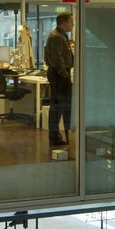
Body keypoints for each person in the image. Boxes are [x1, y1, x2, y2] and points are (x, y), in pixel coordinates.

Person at [45, 13, 73, 148]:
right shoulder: (57, 37)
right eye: (71, 22)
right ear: (64, 23)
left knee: (61, 105)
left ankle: (56, 134)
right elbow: (58, 58)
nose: (73, 24)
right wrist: (65, 75)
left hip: (60, 73)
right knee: (58, 106)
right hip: (59, 74)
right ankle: (54, 135)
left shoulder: (62, 36)